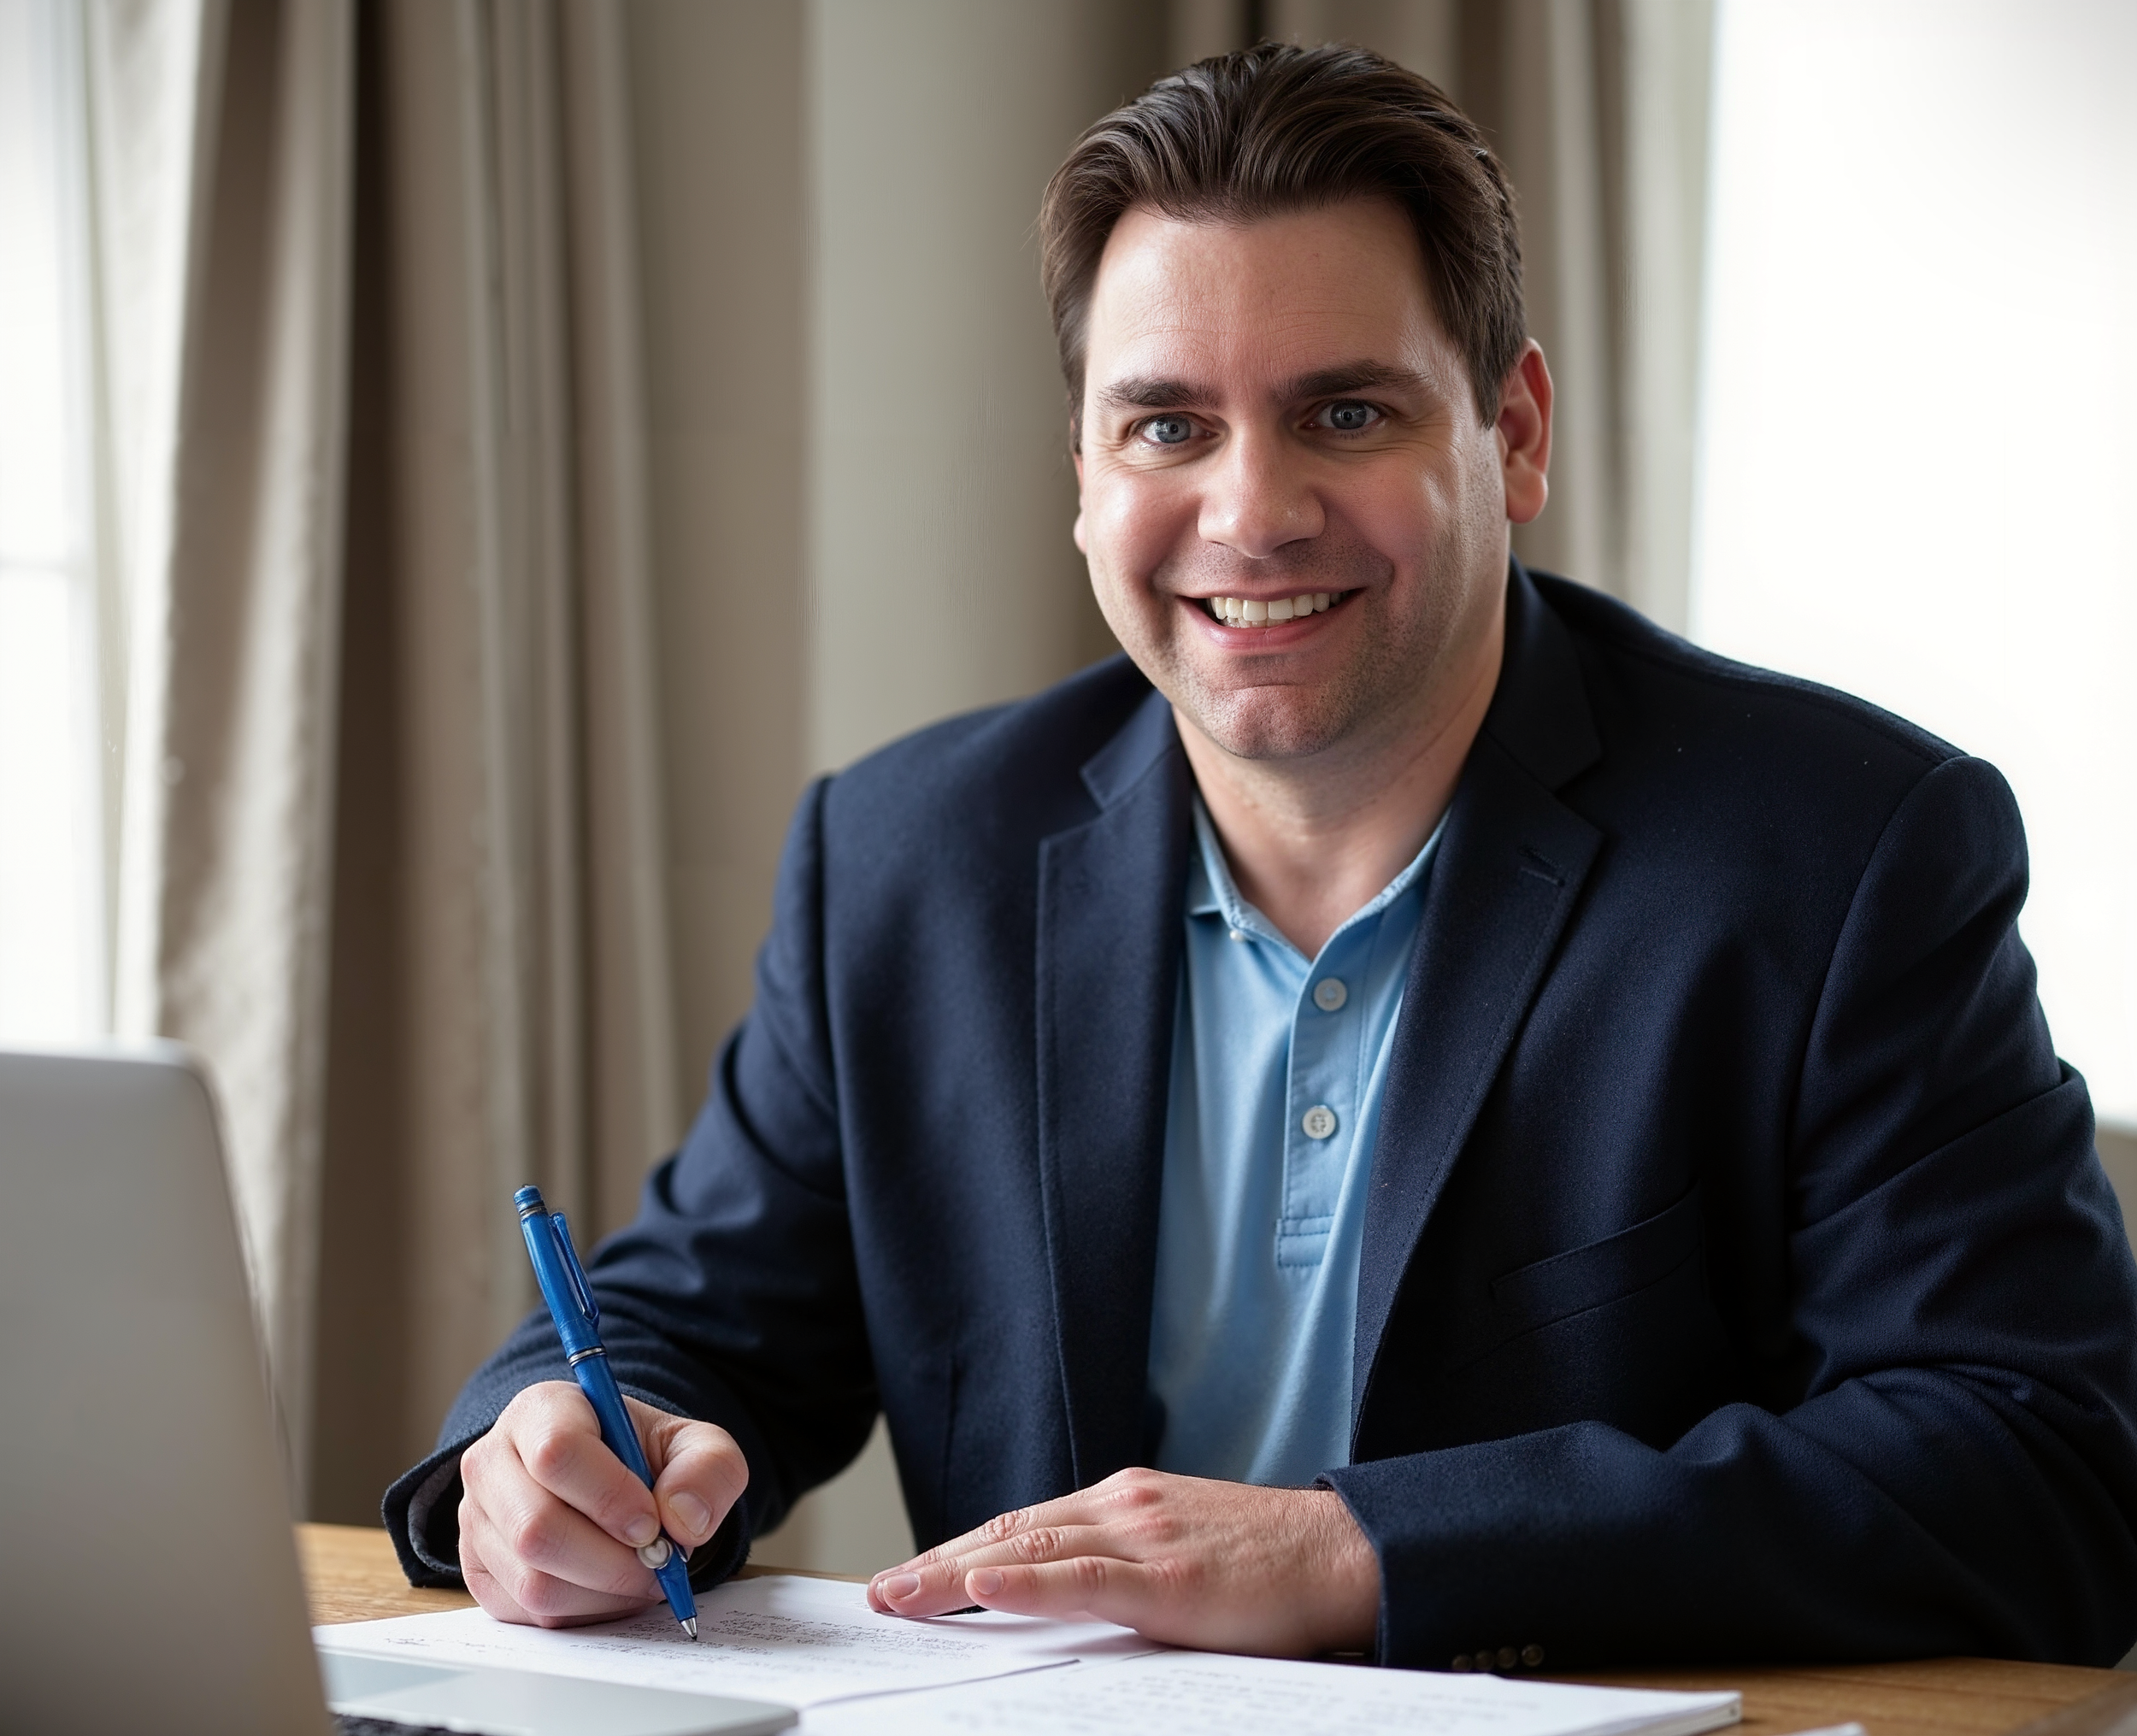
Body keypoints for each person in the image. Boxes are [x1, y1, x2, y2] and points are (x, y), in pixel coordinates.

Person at [385, 43, 2137, 1669]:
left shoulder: (1833, 851)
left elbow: (2042, 1462)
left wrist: (1355, 1549)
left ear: (1509, 434)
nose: (1249, 513)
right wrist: (545, 1448)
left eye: (1345, 414)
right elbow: (687, 1320)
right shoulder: (912, 858)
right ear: (1080, 471)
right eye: (1166, 425)